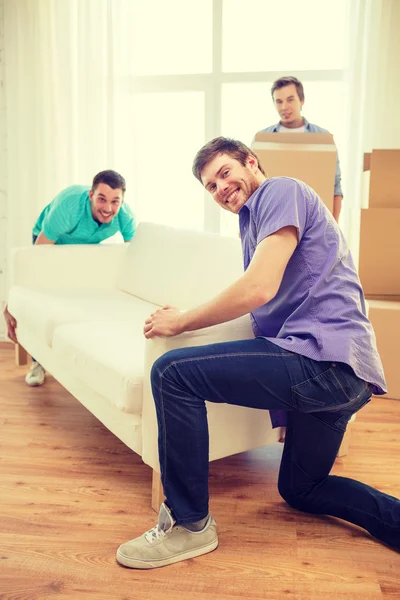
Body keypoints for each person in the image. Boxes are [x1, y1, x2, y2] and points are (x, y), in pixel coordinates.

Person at [116, 137, 399, 571]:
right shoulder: (252, 225)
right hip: (340, 378)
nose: (221, 189)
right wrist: (287, 413)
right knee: (301, 489)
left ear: (251, 162)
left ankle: (189, 525)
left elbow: (258, 290)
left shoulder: (280, 191)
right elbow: (270, 320)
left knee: (171, 372)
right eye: (211, 187)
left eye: (225, 173)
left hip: (325, 361)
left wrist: (183, 320)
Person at [3, 169, 136, 386]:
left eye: (115, 201)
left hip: (85, 246)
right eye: (102, 199)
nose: (108, 208)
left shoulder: (125, 216)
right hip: (50, 244)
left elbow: (134, 255)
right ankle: (38, 362)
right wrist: (15, 299)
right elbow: (36, 259)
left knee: (79, 298)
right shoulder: (68, 208)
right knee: (43, 296)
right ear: (90, 195)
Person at [257, 76, 343, 222]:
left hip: (314, 220)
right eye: (279, 101)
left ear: (302, 100)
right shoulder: (263, 139)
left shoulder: (322, 138)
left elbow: (335, 186)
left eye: (290, 99)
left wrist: (333, 227)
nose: (284, 107)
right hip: (274, 219)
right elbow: (253, 187)